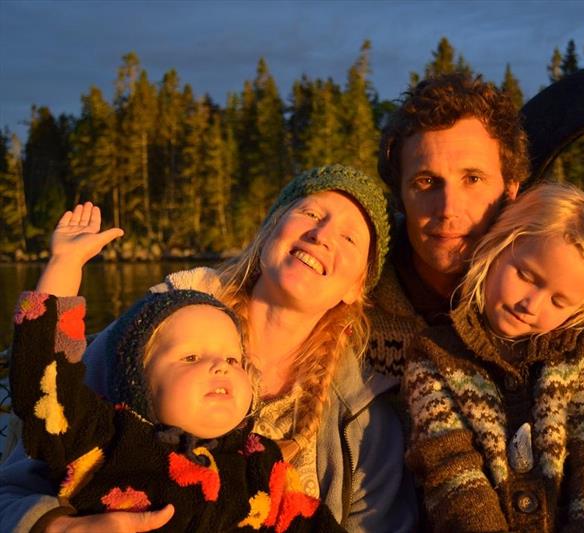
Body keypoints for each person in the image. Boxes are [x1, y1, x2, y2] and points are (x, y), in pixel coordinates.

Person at [0, 165, 417, 532]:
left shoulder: (362, 423)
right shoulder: (152, 333)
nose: (321, 235)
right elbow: (27, 455)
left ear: (357, 287)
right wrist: (51, 528)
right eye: (309, 212)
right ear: (270, 227)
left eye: (348, 237)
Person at [403, 182, 584, 532]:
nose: (531, 306)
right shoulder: (433, 353)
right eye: (526, 276)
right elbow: (450, 470)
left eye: (559, 302)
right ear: (498, 247)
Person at [367, 73, 529, 379]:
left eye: (472, 179)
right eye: (426, 182)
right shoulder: (349, 305)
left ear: (510, 189)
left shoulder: (546, 304)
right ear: (400, 195)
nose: (448, 209)